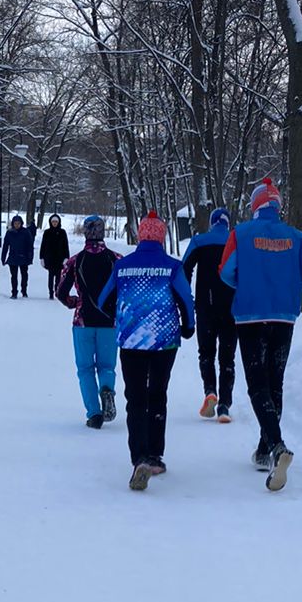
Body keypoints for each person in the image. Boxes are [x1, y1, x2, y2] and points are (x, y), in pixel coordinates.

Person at [218, 176, 302, 491]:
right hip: (284, 317)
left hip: (250, 316)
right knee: (275, 382)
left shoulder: (240, 233)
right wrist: (294, 284)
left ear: (255, 205)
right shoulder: (295, 236)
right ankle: (265, 448)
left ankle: (277, 444)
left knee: (257, 385)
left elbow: (225, 271)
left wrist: (245, 285)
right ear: (278, 205)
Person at [98, 211, 195, 490]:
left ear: (140, 235)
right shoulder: (172, 266)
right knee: (158, 395)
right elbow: (186, 300)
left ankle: (138, 456)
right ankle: (155, 455)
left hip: (131, 340)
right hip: (165, 340)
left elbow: (104, 299)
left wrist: (118, 316)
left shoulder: (122, 266)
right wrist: (188, 326)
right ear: (162, 236)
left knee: (135, 397)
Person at [55, 214, 119, 428]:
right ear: (103, 232)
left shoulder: (74, 261)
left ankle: (94, 413)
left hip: (83, 321)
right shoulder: (116, 259)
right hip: (109, 321)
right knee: (106, 365)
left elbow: (61, 291)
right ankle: (107, 389)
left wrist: (74, 302)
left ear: (85, 233)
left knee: (85, 368)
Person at [181, 206, 237, 420]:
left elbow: (184, 269)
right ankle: (224, 405)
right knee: (227, 358)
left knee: (206, 353)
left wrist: (187, 296)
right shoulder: (236, 243)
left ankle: (210, 391)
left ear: (212, 222)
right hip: (232, 308)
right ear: (227, 223)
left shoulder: (198, 241)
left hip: (205, 306)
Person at [0, 214, 36, 297]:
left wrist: (30, 257)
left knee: (24, 275)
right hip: (13, 257)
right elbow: (5, 246)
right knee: (14, 276)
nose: (17, 225)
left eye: (18, 223)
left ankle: (24, 290)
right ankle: (14, 292)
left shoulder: (26, 232)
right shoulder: (9, 233)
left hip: (23, 257)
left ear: (21, 223)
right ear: (13, 224)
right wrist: (3, 257)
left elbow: (30, 245)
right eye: (15, 223)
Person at [39, 214, 71, 298]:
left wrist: (66, 258)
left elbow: (65, 245)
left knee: (58, 277)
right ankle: (50, 292)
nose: (54, 223)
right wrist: (41, 257)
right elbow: (43, 245)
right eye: (53, 221)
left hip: (59, 258)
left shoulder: (62, 232)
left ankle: (57, 290)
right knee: (50, 276)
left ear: (58, 222)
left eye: (56, 222)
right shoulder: (47, 232)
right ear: (50, 222)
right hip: (49, 258)